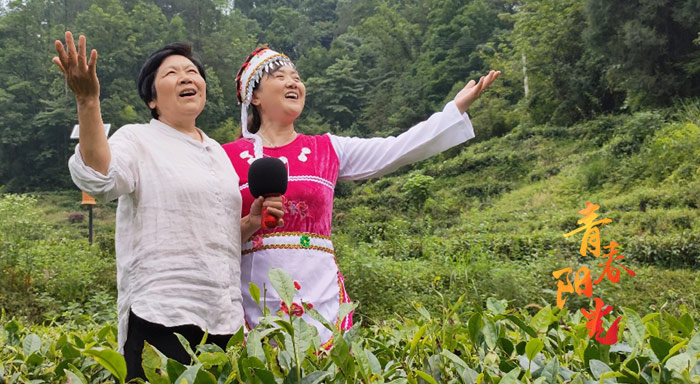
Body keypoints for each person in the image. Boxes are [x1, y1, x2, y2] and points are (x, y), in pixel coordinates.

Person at [222, 47, 500, 347]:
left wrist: (452, 111)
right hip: (254, 294)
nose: (293, 83)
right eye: (280, 77)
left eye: (297, 78)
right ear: (254, 96)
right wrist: (251, 222)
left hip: (321, 290)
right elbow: (210, 237)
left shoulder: (327, 149)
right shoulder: (223, 158)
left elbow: (396, 148)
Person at [54, 32, 283, 380]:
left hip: (223, 321)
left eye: (192, 71)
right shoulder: (137, 139)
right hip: (160, 316)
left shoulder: (218, 153)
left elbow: (210, 236)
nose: (187, 77)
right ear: (152, 99)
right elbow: (99, 179)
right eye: (172, 73)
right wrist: (87, 101)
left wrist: (248, 224)